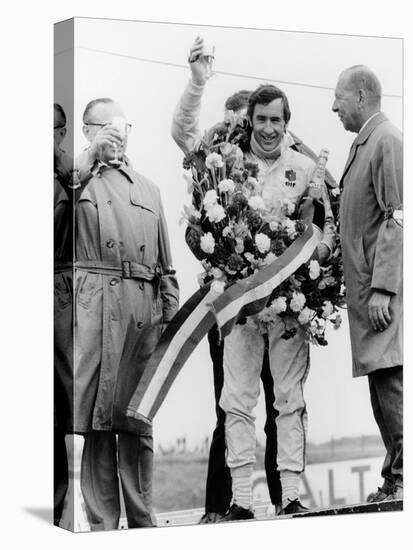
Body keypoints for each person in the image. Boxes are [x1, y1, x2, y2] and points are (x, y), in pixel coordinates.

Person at [172, 37, 336, 521]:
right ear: (250, 121)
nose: (268, 128)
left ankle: (290, 494)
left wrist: (319, 253)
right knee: (236, 401)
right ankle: (241, 499)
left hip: (289, 307)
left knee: (289, 400)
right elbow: (183, 132)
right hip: (241, 309)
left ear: (288, 124)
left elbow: (327, 226)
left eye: (277, 121)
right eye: (261, 119)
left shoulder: (307, 168)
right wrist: (198, 83)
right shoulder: (227, 161)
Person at [54, 97, 179, 530]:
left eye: (122, 127)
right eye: (105, 127)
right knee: (100, 421)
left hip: (141, 313)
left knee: (137, 418)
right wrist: (89, 158)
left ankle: (144, 520)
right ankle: (104, 526)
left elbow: (166, 265)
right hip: (94, 310)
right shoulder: (74, 179)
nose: (116, 135)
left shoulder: (148, 188)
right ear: (88, 130)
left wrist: (170, 314)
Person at [332, 65, 403, 502]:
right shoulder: (366, 143)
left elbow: (399, 216)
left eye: (338, 97)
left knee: (392, 378)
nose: (334, 106)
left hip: (382, 294)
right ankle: (395, 474)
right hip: (367, 293)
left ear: (360, 95)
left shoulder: (386, 140)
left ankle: (403, 476)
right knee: (382, 382)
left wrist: (384, 287)